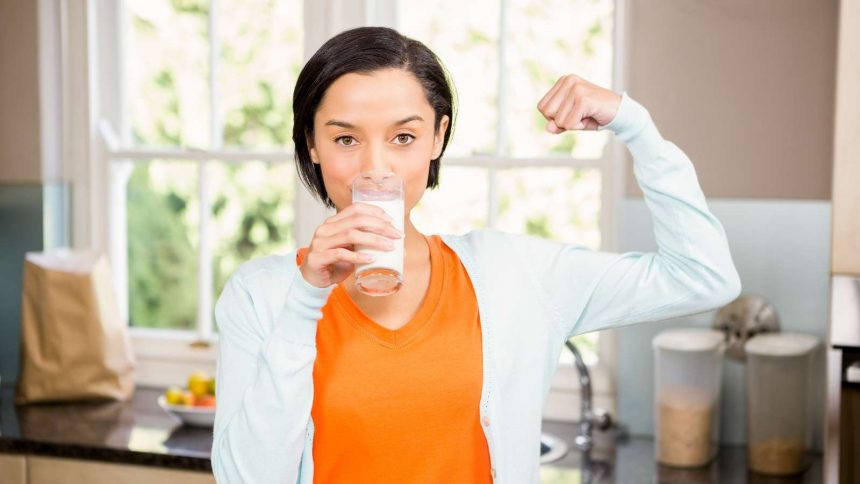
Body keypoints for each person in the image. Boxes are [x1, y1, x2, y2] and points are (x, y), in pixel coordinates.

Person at [211, 26, 741, 484]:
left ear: (438, 137)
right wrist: (306, 300)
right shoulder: (261, 296)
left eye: (403, 136)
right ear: (310, 143)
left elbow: (703, 278)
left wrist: (636, 127)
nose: (376, 168)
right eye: (346, 139)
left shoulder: (514, 276)